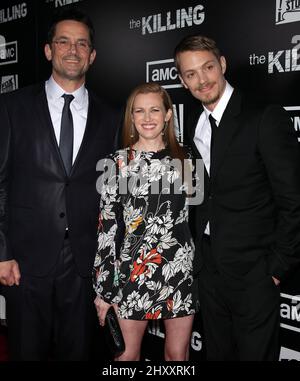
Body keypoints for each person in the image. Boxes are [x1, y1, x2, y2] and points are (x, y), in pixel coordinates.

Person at [0, 7, 119, 360]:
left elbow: (115, 196)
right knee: (27, 351)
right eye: (63, 42)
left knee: (79, 352)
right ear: (48, 50)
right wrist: (1, 253)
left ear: (92, 55)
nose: (73, 50)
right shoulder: (11, 107)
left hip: (85, 264)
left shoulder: (112, 116)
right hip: (24, 260)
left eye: (82, 44)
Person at [173, 34, 300, 361]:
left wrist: (275, 268)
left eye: (208, 68)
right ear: (183, 81)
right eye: (191, 74)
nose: (202, 80)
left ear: (223, 64)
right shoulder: (194, 123)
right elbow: (203, 196)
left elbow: (294, 199)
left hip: (254, 273)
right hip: (209, 272)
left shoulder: (263, 117)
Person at [93, 82, 199, 361]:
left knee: (178, 355)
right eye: (139, 111)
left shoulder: (187, 158)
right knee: (126, 356)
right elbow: (107, 228)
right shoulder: (114, 163)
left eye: (154, 110)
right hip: (131, 272)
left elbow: (200, 217)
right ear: (131, 116)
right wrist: (104, 289)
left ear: (167, 114)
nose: (147, 117)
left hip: (178, 270)